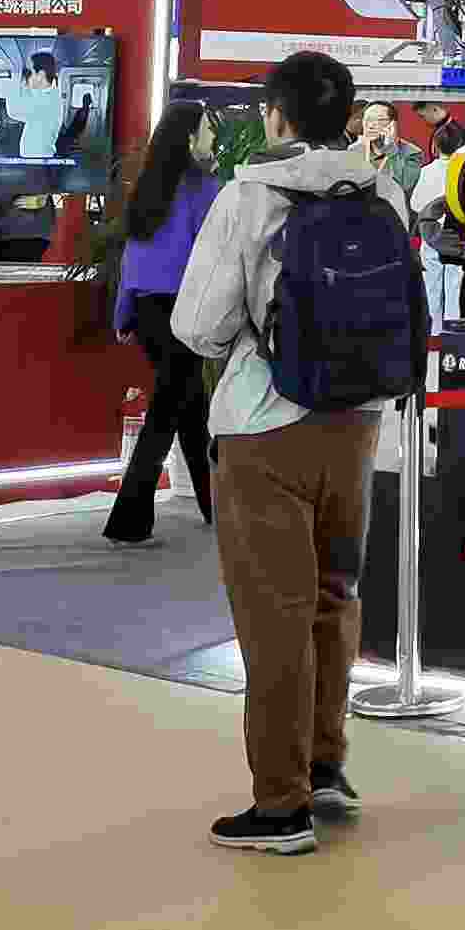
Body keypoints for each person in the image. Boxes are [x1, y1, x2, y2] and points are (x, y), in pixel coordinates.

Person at [169, 48, 409, 856]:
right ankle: (325, 765)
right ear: (349, 118)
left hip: (263, 427)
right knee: (335, 597)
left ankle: (280, 805)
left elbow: (199, 326)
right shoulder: (385, 193)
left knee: (275, 617)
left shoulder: (248, 196)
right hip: (359, 424)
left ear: (274, 115)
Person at [105, 100, 222, 545]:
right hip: (185, 310)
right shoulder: (203, 188)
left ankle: (216, 504)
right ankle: (129, 518)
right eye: (207, 128)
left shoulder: (149, 187)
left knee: (189, 406)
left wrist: (124, 312)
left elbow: (131, 258)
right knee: (170, 408)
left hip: (147, 312)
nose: (213, 136)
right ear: (190, 138)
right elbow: (213, 258)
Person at [12, 50, 69, 161]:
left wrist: (18, 78)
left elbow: (14, 111)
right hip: (37, 158)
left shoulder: (48, 101)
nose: (28, 77)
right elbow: (30, 96)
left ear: (41, 75)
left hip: (39, 160)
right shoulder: (46, 95)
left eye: (30, 73)